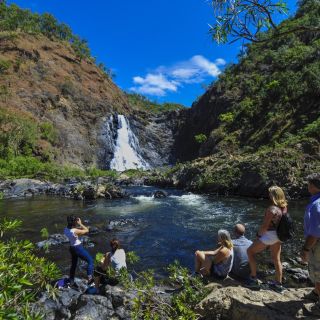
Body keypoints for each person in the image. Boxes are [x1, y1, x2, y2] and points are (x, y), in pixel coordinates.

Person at [247, 186, 288, 292]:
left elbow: (265, 226)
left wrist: (258, 236)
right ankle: (278, 284)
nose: (268, 195)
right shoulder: (283, 207)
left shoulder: (272, 209)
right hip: (279, 236)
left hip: (270, 235)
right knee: (276, 259)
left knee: (250, 251)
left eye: (270, 193)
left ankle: (253, 279)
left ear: (273, 195)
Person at [301, 173, 320, 309]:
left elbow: (314, 232)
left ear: (313, 186)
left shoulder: (316, 205)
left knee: (318, 270)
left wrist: (306, 249)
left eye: (309, 184)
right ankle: (316, 291)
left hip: (317, 244)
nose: (307, 186)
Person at [64, 215, 94, 286]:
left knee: (73, 265)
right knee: (90, 261)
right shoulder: (74, 231)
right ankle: (90, 279)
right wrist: (80, 223)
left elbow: (75, 229)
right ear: (74, 222)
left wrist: (78, 226)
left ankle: (71, 280)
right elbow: (87, 230)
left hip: (72, 248)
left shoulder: (65, 229)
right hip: (78, 248)